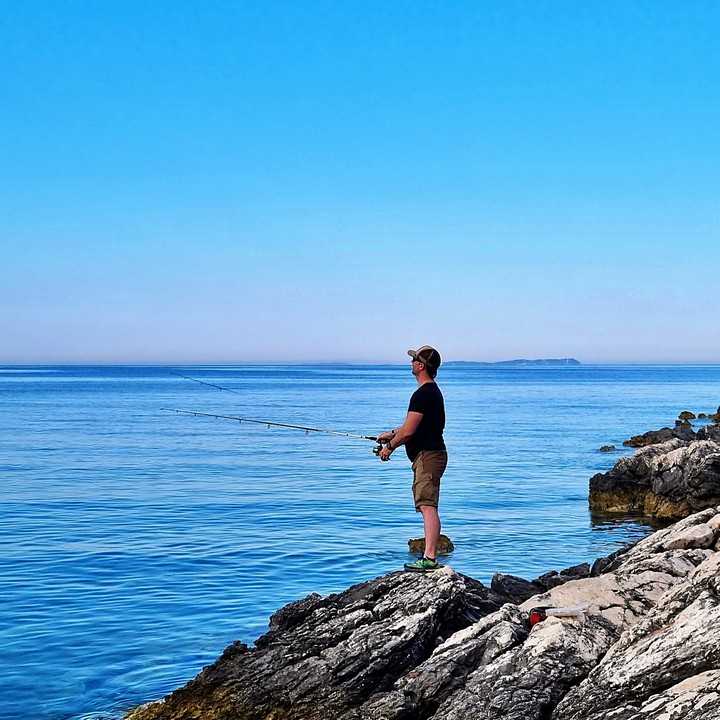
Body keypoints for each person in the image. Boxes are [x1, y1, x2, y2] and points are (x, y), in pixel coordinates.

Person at [377, 345, 448, 572]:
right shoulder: (430, 393)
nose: (411, 363)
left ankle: (430, 558)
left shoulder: (422, 394)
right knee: (427, 505)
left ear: (421, 365)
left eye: (414, 359)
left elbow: (408, 433)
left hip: (428, 456)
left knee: (428, 506)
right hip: (429, 455)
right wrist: (391, 434)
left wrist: (389, 448)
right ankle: (429, 556)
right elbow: (411, 428)